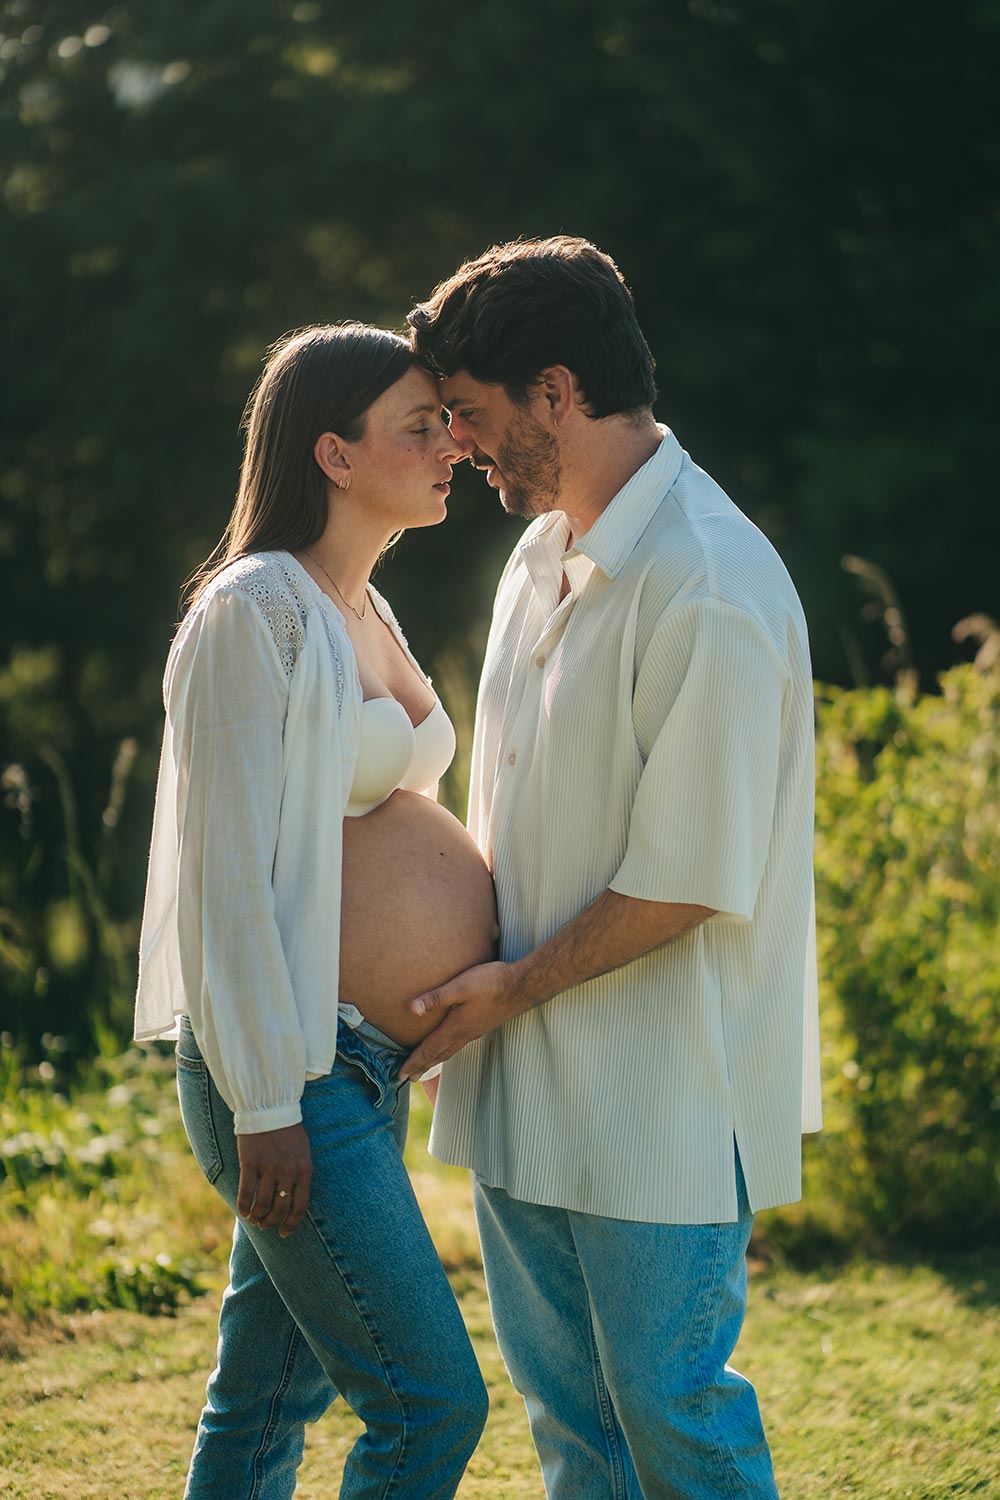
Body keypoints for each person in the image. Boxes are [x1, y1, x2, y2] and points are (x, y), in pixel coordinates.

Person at [400, 237, 823, 1499]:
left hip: (664, 1101)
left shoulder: (709, 581)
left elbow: (688, 878)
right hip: (524, 1086)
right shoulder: (538, 555)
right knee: (571, 1430)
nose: (457, 445)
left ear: (556, 391)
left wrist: (509, 986)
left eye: (468, 415)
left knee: (670, 1419)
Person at [133, 323, 497, 1499]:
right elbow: (225, 879)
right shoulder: (254, 611)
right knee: (430, 1405)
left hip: (364, 1062)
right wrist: (266, 1102)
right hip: (297, 1069)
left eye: (446, 422)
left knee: (262, 1405)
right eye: (419, 427)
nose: (451, 445)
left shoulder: (365, 606)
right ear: (333, 454)